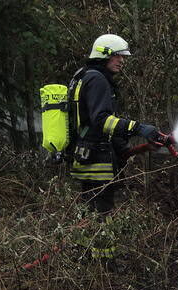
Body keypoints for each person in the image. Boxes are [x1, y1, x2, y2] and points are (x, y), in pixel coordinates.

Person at [69, 33, 162, 262]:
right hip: (97, 158)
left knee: (89, 209)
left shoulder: (83, 76)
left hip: (86, 155)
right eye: (118, 56)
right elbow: (101, 121)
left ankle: (85, 258)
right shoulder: (98, 80)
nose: (122, 61)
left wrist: (124, 148)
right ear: (104, 55)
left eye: (123, 56)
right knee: (103, 212)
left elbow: (91, 123)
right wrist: (139, 128)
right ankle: (104, 264)